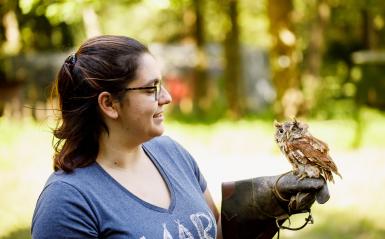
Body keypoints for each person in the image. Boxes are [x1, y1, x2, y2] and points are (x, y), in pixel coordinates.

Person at [31, 35, 329, 239]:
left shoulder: (170, 153)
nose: (168, 97)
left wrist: (265, 204)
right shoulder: (68, 201)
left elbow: (214, 232)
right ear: (109, 104)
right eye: (150, 89)